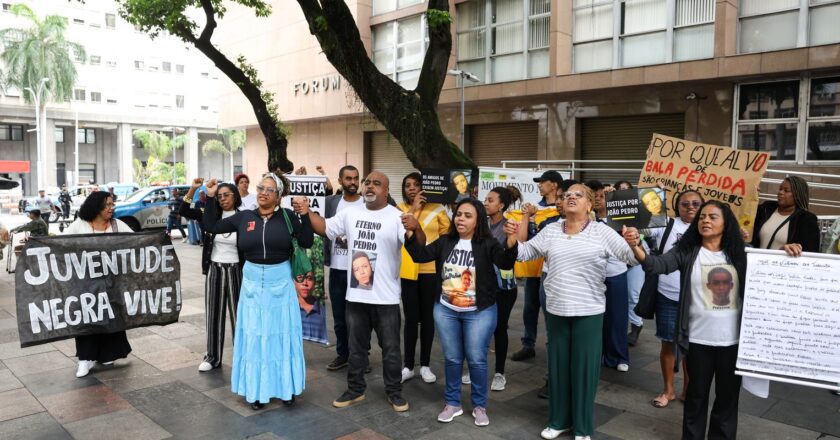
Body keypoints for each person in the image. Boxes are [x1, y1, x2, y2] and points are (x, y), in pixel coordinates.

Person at [514, 184, 637, 440]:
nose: (570, 197)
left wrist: (634, 241)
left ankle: (582, 427)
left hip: (589, 310)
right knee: (558, 367)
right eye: (567, 194)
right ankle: (559, 420)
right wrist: (513, 235)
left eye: (578, 195)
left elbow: (631, 257)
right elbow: (524, 253)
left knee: (583, 369)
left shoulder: (601, 231)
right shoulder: (551, 231)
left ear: (589, 205)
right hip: (557, 308)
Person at [622, 200, 752, 440]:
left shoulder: (741, 253)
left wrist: (790, 250)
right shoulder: (687, 251)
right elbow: (655, 265)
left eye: (713, 217)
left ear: (726, 223)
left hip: (733, 344)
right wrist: (636, 245)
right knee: (695, 398)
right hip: (698, 340)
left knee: (727, 401)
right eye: (703, 217)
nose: (705, 220)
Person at [294, 171, 410, 413]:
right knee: (356, 349)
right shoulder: (350, 213)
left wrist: (415, 229)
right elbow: (325, 228)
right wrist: (307, 211)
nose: (369, 186)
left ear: (386, 191)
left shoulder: (397, 216)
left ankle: (394, 392)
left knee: (390, 349)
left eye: (377, 183)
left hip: (386, 298)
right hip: (356, 296)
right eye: (367, 182)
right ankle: (355, 390)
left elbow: (414, 243)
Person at [403, 198, 517, 427]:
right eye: (459, 215)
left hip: (480, 311)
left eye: (467, 215)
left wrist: (512, 240)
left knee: (476, 359)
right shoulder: (445, 241)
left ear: (478, 221)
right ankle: (452, 403)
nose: (461, 219)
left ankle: (479, 406)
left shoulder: (488, 243)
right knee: (453, 358)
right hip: (446, 310)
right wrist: (412, 230)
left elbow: (505, 263)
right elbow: (419, 255)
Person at [203, 173, 313, 410]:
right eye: (261, 187)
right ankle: (255, 391)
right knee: (254, 336)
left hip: (281, 283)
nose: (263, 192)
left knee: (281, 335)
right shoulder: (244, 217)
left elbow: (306, 241)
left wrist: (304, 214)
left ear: (279, 196)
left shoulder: (288, 217)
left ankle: (286, 389)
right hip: (251, 283)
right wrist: (210, 198)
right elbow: (211, 226)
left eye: (270, 190)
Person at [65, 192, 133, 378]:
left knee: (111, 317)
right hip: (86, 284)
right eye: (107, 205)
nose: (112, 208)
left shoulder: (118, 225)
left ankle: (106, 354)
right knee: (88, 319)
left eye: (113, 204)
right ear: (96, 207)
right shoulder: (80, 225)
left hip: (112, 282)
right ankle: (85, 359)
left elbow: (138, 242)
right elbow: (60, 243)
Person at [179, 178, 244, 372]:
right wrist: (193, 189)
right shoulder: (210, 215)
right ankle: (212, 357)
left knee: (238, 316)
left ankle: (242, 356)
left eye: (226, 195)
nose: (223, 199)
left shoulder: (244, 217)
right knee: (213, 313)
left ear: (235, 197)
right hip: (215, 268)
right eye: (219, 196)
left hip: (237, 270)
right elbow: (183, 211)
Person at [647, 190, 703, 408]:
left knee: (693, 347)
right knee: (668, 345)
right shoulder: (665, 225)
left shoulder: (710, 226)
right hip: (668, 295)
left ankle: (689, 389)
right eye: (684, 204)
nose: (690, 207)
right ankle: (668, 390)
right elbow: (642, 230)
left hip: (698, 298)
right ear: (676, 206)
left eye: (696, 203)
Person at [398, 172, 450, 384]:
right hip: (407, 271)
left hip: (430, 271)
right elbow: (403, 227)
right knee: (410, 319)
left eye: (416, 184)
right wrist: (414, 209)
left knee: (428, 319)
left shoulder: (438, 209)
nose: (411, 188)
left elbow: (447, 237)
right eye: (407, 185)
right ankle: (408, 366)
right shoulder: (399, 209)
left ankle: (425, 365)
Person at [511, 170, 563, 364]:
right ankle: (528, 344)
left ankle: (555, 345)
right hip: (533, 268)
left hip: (553, 270)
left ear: (555, 185)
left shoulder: (563, 210)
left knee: (553, 311)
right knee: (530, 307)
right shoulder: (534, 209)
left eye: (543, 182)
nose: (539, 185)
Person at [323, 165, 364, 371]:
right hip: (337, 269)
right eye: (348, 178)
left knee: (360, 319)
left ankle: (361, 357)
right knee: (339, 318)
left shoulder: (367, 203)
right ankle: (343, 354)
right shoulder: (331, 202)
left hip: (360, 269)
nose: (353, 182)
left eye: (356, 178)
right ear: (340, 181)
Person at [587, 180, 631, 373]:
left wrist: (620, 198)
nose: (598, 200)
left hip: (616, 274)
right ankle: (598, 354)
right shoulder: (588, 219)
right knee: (594, 319)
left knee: (617, 317)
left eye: (602, 196)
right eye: (594, 197)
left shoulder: (620, 217)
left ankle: (619, 356)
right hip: (592, 275)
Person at [483, 187, 520, 392]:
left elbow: (512, 252)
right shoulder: (481, 225)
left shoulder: (508, 226)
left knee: (499, 328)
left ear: (501, 205)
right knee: (479, 328)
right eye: (485, 200)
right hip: (482, 286)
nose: (486, 203)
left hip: (504, 287)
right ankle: (476, 368)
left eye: (490, 200)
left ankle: (499, 373)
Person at [751, 176, 820, 253]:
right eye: (780, 189)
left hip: (782, 264)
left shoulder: (807, 220)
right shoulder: (766, 208)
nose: (780, 192)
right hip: (756, 262)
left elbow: (811, 252)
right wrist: (750, 196)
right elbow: (746, 214)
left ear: (797, 195)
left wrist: (784, 251)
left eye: (786, 190)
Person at [296, 270, 328, 343]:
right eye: (300, 278)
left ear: (314, 283)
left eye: (309, 278)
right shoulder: (288, 310)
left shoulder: (322, 309)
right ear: (294, 282)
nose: (305, 283)